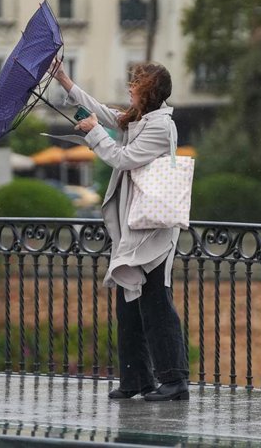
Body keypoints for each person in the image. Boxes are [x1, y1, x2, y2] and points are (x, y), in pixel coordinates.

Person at [50, 59, 190, 401]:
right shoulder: (140, 118)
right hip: (134, 227)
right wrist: (66, 81)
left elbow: (123, 158)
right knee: (128, 302)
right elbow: (105, 113)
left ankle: (174, 381)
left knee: (156, 301)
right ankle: (136, 380)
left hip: (153, 229)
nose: (130, 87)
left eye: (136, 83)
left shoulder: (160, 127)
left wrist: (95, 132)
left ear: (149, 91)